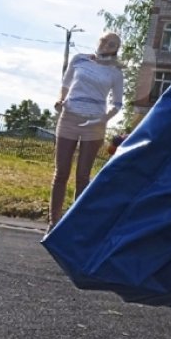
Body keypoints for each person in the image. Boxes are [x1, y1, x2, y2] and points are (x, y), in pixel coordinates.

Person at [47, 31, 124, 230]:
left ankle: (74, 225)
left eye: (112, 44)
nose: (106, 44)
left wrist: (102, 119)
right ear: (98, 42)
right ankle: (53, 222)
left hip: (94, 125)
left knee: (83, 175)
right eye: (104, 40)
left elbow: (117, 104)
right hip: (69, 118)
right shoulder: (79, 59)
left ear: (115, 49)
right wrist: (59, 100)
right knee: (61, 172)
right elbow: (64, 85)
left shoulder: (115, 72)